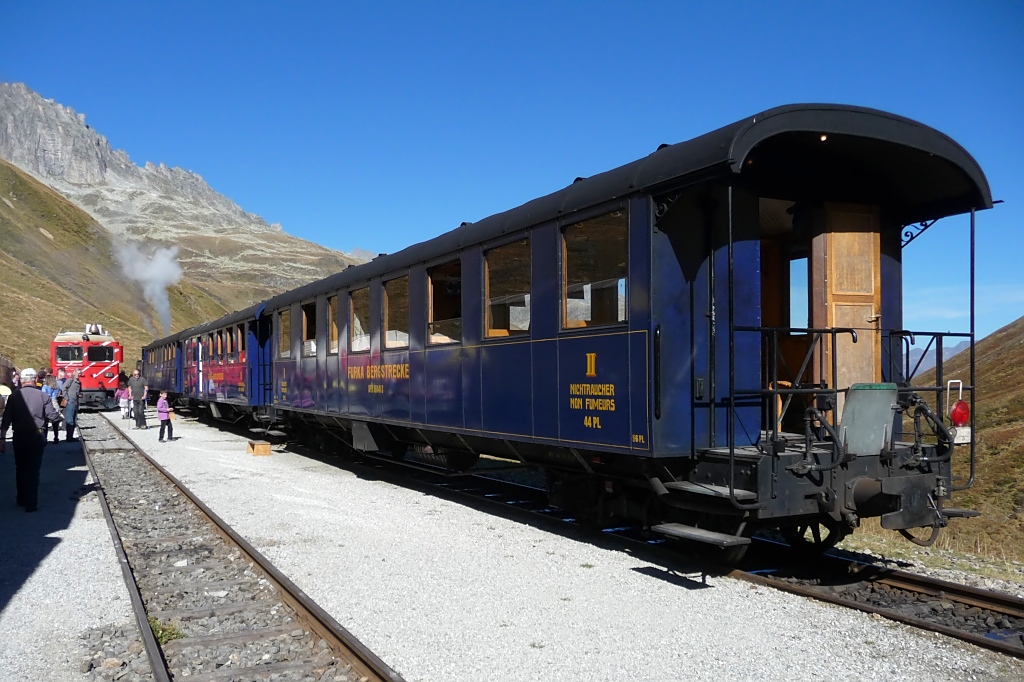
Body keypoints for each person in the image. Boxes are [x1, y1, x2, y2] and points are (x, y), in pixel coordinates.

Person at [0, 368, 60, 512]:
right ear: (35, 380)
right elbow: (52, 416)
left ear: (21, 380)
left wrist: (2, 437)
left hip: (19, 435)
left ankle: (21, 498)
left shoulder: (14, 396)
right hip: (36, 435)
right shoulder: (43, 396)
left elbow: (6, 418)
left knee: (20, 467)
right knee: (33, 469)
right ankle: (31, 503)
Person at [60, 369, 82, 441]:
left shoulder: (79, 382)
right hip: (70, 401)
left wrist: (79, 394)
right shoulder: (70, 380)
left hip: (75, 401)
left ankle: (70, 436)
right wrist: (66, 398)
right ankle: (69, 437)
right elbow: (63, 388)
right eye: (77, 373)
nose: (79, 374)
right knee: (70, 420)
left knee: (74, 419)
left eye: (80, 373)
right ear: (74, 373)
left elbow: (79, 391)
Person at [41, 373, 62, 443]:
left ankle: (45, 438)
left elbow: (43, 395)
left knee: (45, 423)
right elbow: (56, 396)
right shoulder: (56, 387)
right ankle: (56, 438)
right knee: (55, 423)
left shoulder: (45, 386)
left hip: (47, 403)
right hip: (55, 403)